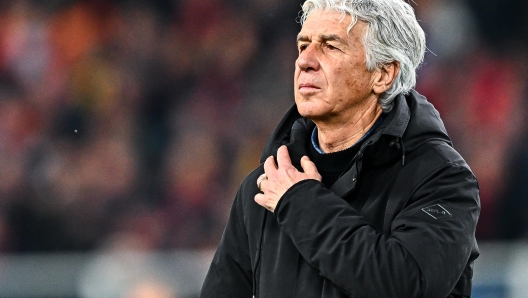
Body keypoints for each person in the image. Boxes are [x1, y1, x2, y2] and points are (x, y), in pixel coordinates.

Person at [200, 0, 480, 297]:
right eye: (303, 45)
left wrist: (301, 203)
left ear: (383, 74)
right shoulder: (266, 184)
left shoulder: (442, 179)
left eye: (330, 46)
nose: (304, 61)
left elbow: (406, 284)